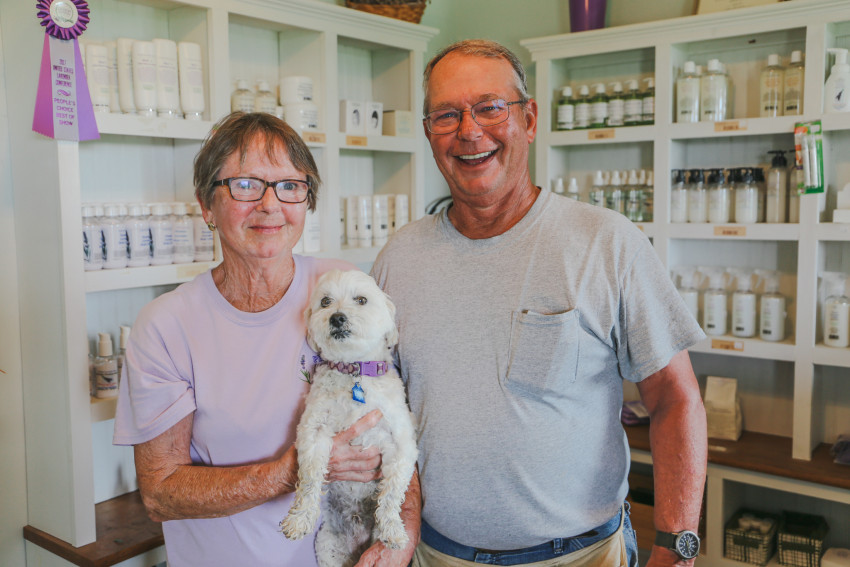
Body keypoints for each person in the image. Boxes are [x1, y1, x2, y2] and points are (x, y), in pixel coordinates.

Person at [371, 40, 707, 567]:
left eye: (490, 107)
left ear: (528, 119)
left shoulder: (606, 242)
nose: (469, 131)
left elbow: (675, 399)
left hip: (584, 555)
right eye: (446, 115)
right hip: (435, 556)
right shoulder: (398, 260)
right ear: (429, 133)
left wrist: (678, 546)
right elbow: (386, 415)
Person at [113, 112, 419, 567]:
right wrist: (293, 471)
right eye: (245, 184)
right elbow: (161, 493)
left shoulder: (342, 289)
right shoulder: (166, 326)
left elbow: (394, 424)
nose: (270, 204)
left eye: (290, 185)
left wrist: (404, 532)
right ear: (206, 204)